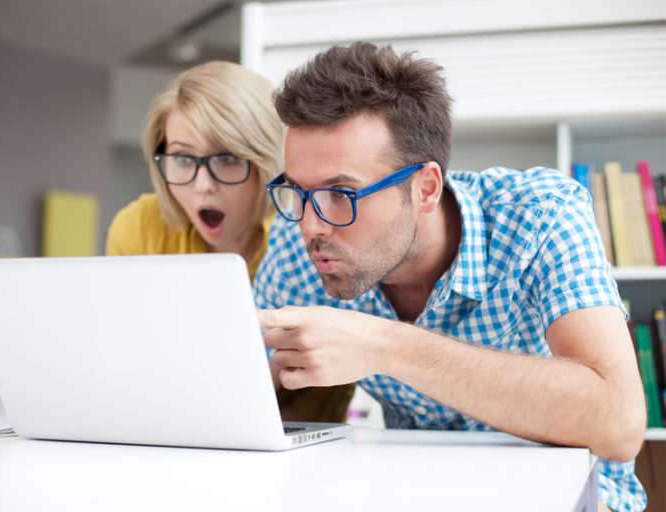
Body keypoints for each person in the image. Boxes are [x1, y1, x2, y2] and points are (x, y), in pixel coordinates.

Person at [254, 42, 647, 511]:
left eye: (341, 193)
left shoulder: (540, 215)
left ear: (425, 187)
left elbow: (619, 423)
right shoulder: (300, 242)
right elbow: (246, 385)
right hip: (414, 492)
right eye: (298, 192)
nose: (309, 224)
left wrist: (386, 345)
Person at [105, 61, 354, 423]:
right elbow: (126, 364)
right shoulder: (139, 228)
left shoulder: (304, 246)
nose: (202, 185)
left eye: (225, 158)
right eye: (182, 158)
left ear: (265, 160)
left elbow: (314, 408)